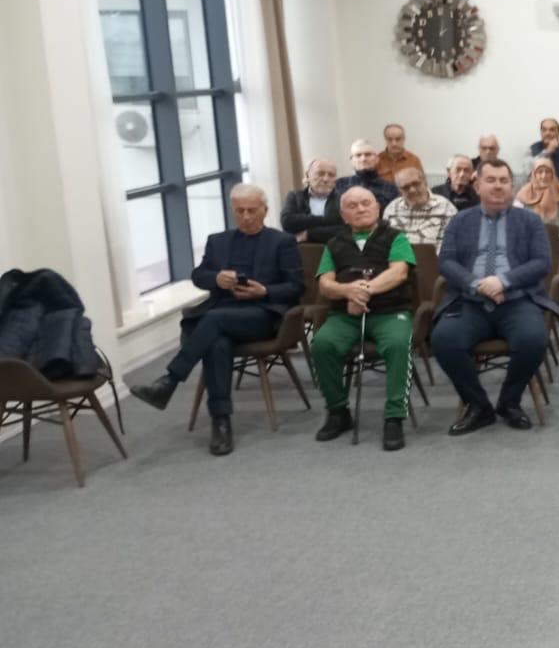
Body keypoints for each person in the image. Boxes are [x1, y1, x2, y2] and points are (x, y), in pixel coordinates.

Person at [129, 185, 301, 457]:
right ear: (233, 211)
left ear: (265, 211)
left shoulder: (281, 242)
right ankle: (221, 421)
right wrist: (216, 279)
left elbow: (296, 286)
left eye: (252, 210)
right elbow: (198, 275)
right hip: (222, 312)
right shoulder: (218, 241)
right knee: (216, 343)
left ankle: (170, 380)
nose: (246, 216)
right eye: (240, 211)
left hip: (262, 313)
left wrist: (264, 291)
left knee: (212, 321)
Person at [431, 158, 559, 436]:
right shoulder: (459, 221)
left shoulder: (530, 221)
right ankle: (479, 406)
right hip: (470, 300)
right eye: (491, 180)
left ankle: (509, 402)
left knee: (534, 340)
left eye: (504, 181)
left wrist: (503, 281)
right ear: (477, 185)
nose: (498, 186)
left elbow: (541, 263)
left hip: (517, 300)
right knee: (443, 340)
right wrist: (477, 284)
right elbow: (447, 262)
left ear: (512, 187)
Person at [308, 186, 416, 452]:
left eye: (366, 203)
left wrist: (363, 292)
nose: (360, 209)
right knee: (322, 344)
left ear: (377, 207)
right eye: (352, 206)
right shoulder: (334, 244)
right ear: (343, 215)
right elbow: (325, 284)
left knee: (398, 345)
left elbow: (399, 273)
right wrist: (347, 291)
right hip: (345, 315)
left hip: (390, 312)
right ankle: (338, 411)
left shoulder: (396, 237)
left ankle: (394, 417)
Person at [384, 165, 456, 248]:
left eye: (416, 184)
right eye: (406, 187)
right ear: (399, 190)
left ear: (425, 182)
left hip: (433, 256)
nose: (412, 190)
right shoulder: (392, 209)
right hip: (398, 255)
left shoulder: (446, 208)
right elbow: (386, 243)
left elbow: (447, 245)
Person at [281, 157, 344, 243]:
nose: (326, 179)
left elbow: (346, 230)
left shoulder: (343, 199)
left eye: (331, 175)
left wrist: (309, 234)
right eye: (320, 174)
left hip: (334, 248)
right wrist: (326, 220)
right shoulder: (295, 196)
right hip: (301, 248)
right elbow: (287, 222)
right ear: (307, 176)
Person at [517, 156, 559, 241]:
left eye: (548, 171)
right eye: (540, 172)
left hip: (556, 241)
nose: (544, 176)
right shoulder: (523, 194)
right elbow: (515, 223)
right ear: (534, 174)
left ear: (553, 173)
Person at [335, 139, 399, 209]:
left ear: (377, 159)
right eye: (358, 155)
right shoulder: (339, 185)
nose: (363, 159)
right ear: (351, 161)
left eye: (368, 155)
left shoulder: (390, 188)